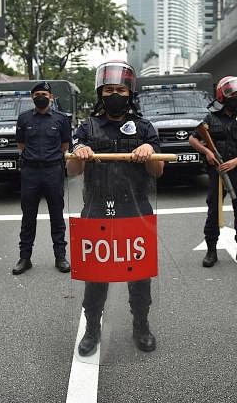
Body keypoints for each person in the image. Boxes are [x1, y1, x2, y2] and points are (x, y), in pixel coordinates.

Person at [67, 60, 164, 356]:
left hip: (135, 211)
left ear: (129, 93)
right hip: (96, 210)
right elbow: (71, 171)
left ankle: (141, 326)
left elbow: (158, 171)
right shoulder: (86, 127)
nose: (114, 94)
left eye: (120, 89)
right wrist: (79, 154)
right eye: (108, 89)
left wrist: (149, 153)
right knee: (96, 277)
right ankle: (92, 328)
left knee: (140, 277)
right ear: (100, 93)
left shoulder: (146, 128)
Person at [188, 75, 237, 267]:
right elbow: (193, 139)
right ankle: (211, 251)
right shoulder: (210, 117)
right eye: (232, 93)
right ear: (222, 95)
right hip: (216, 172)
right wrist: (207, 152)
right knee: (214, 211)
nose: (236, 97)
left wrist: (236, 161)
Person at [13, 81, 72, 275]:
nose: (41, 96)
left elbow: (65, 145)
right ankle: (25, 257)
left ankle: (60, 257)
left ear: (51, 97)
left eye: (44, 94)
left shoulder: (61, 119)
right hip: (30, 172)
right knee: (28, 216)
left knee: (57, 215)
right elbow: (21, 145)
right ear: (32, 97)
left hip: (53, 171)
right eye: (37, 93)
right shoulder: (23, 119)